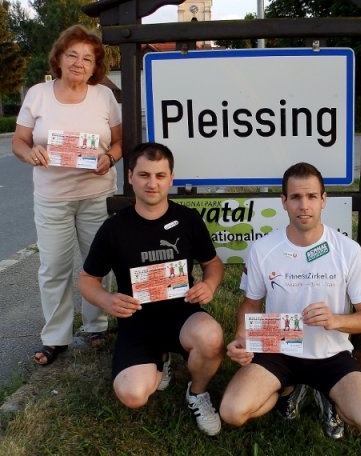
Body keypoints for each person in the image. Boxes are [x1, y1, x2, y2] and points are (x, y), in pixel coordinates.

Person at [220, 162, 361, 440]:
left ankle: (330, 396)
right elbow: (251, 303)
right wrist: (241, 337)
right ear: (283, 201)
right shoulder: (263, 248)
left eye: (311, 196)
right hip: (278, 351)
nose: (304, 205)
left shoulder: (348, 250)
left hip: (331, 356)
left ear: (324, 200)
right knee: (232, 412)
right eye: (296, 197)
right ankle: (287, 390)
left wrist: (335, 320)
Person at [78, 143, 226, 436]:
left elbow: (213, 263)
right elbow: (86, 280)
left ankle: (197, 393)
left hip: (183, 315)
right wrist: (107, 300)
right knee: (132, 395)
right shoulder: (114, 228)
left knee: (211, 338)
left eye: (160, 175)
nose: (152, 183)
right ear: (130, 176)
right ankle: (160, 359)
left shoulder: (188, 219)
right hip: (137, 323)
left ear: (171, 178)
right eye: (144, 175)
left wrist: (209, 284)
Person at [12, 24, 122, 365]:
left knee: (97, 264)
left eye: (88, 58)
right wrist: (29, 153)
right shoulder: (38, 94)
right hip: (52, 198)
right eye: (72, 55)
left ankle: (96, 326)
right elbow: (19, 141)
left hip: (97, 194)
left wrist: (110, 158)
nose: (79, 63)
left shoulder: (104, 96)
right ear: (58, 58)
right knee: (53, 268)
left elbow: (120, 141)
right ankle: (55, 337)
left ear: (95, 66)